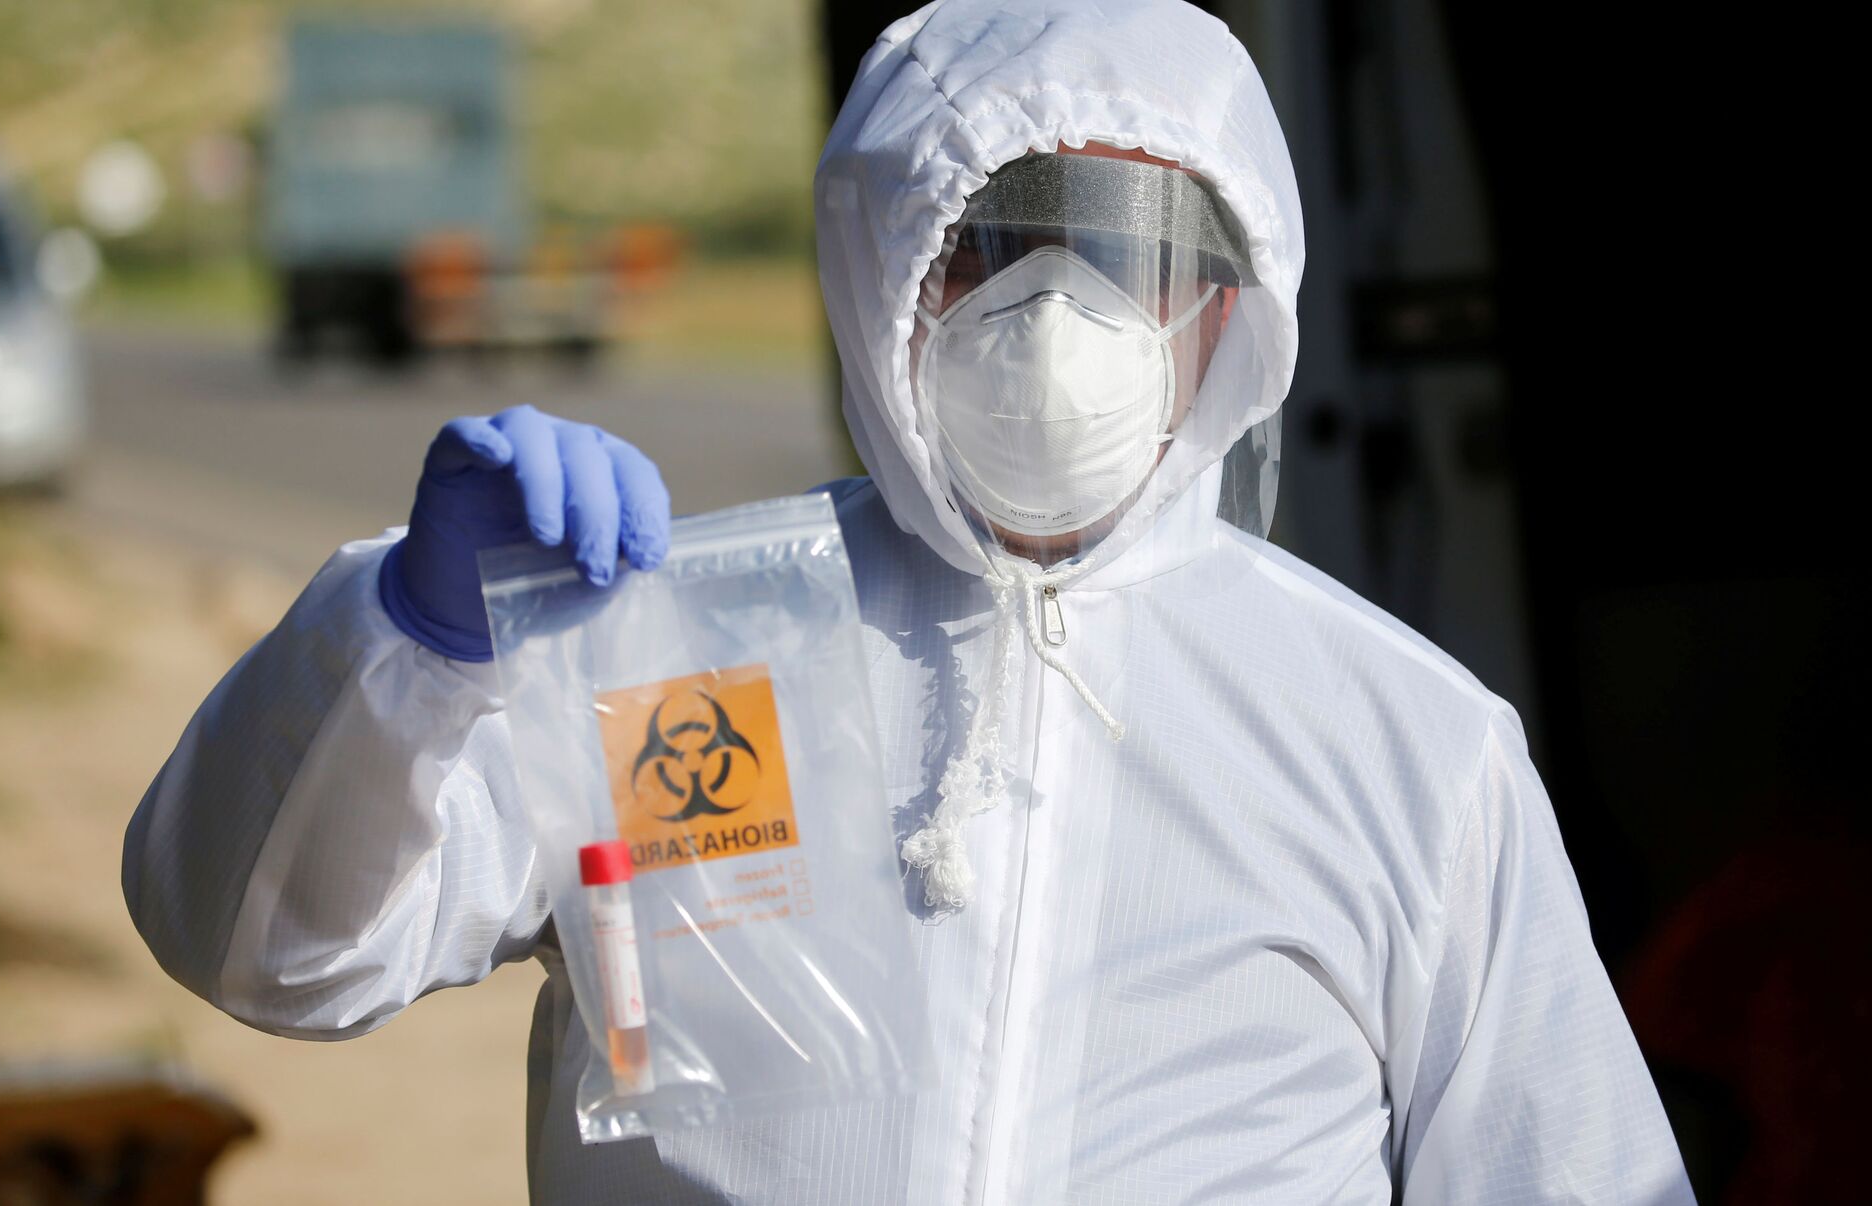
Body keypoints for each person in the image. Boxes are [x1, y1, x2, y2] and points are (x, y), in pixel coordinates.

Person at [123, 0, 1694, 1200]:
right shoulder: (665, 644)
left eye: (1129, 256)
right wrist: (405, 648)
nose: (1058, 312)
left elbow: (1572, 1170)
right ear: (887, 272)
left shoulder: (1406, 746)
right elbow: (271, 952)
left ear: (1224, 313)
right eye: (995, 245)